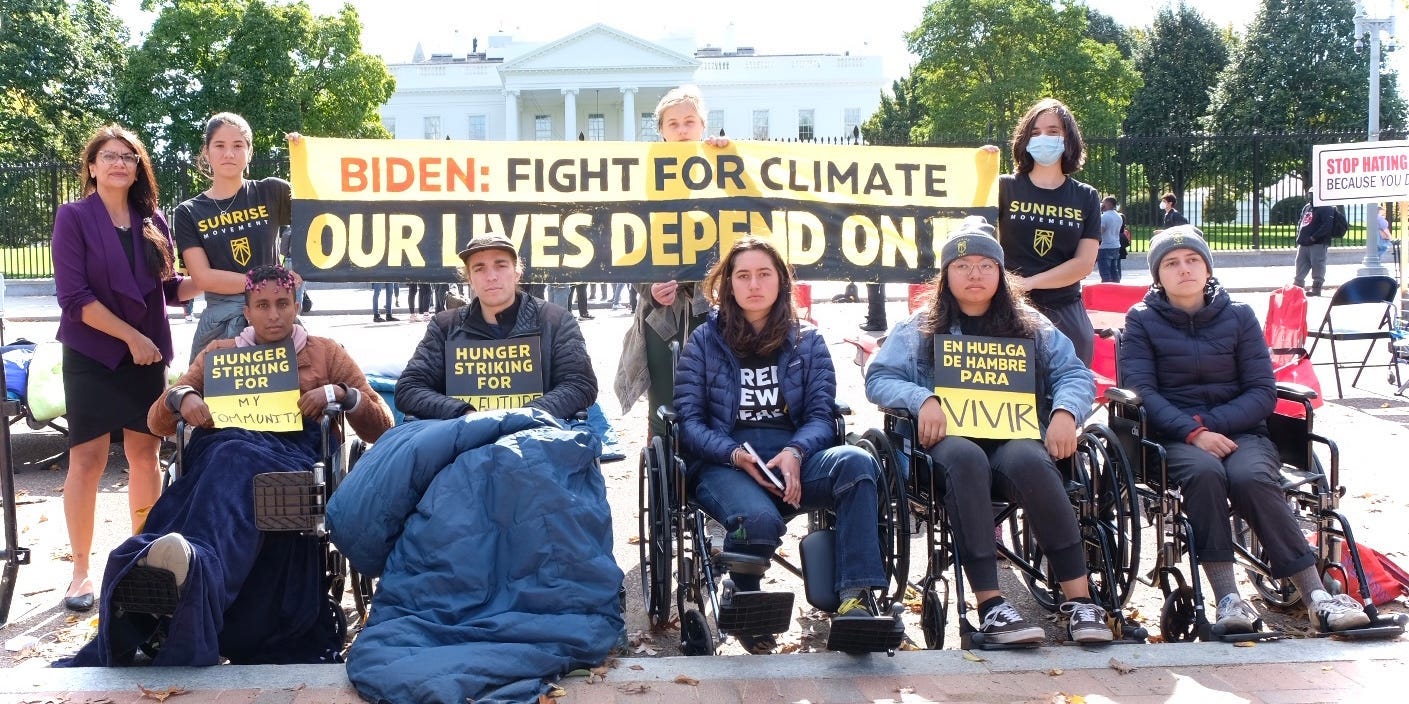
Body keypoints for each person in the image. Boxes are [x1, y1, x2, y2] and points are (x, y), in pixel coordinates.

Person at [56, 264, 392, 666]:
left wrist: (342, 393)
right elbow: (156, 421)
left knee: (234, 458)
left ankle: (187, 569)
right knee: (227, 455)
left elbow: (381, 423)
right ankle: (184, 567)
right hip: (222, 452)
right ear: (246, 311)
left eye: (282, 304)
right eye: (262, 305)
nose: (273, 315)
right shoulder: (219, 354)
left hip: (291, 457)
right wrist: (180, 398)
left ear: (296, 306)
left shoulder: (326, 351)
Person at [865, 216, 1114, 645]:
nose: (974, 273)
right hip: (945, 448)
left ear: (1001, 273)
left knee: (1032, 460)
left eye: (985, 264)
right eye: (962, 265)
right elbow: (879, 378)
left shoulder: (1032, 324)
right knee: (965, 457)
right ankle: (991, 604)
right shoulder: (918, 327)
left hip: (1011, 439)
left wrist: (1065, 413)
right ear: (946, 275)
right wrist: (922, 399)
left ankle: (1080, 599)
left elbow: (1075, 374)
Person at [1120, 227, 1371, 635]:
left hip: (1240, 430)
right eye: (1171, 263)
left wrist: (1212, 425)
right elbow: (1143, 391)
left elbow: (1261, 391)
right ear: (1157, 275)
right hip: (1172, 436)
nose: (1183, 269)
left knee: (1251, 477)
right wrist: (1192, 433)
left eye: (1192, 260)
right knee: (1204, 474)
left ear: (1206, 267)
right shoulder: (1142, 321)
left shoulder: (1239, 316)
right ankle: (1227, 599)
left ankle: (1317, 599)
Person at [674, 236, 887, 653]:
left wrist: (795, 452)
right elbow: (689, 423)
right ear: (728, 284)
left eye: (764, 274)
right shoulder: (704, 341)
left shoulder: (807, 340)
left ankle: (855, 598)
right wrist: (735, 455)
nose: (754, 284)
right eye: (743, 275)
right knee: (757, 518)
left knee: (856, 464)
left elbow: (822, 416)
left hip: (794, 457)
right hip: (726, 462)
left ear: (781, 281)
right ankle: (749, 600)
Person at [51, 125, 199, 612]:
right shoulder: (72, 217)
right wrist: (132, 337)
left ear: (138, 169)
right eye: (109, 156)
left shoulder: (152, 219)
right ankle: (79, 574)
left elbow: (170, 287)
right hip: (93, 356)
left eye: (129, 157)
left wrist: (214, 279)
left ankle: (143, 561)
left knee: (144, 455)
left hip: (146, 359)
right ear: (91, 166)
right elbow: (75, 300)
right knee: (86, 462)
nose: (119, 163)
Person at [614, 85, 729, 439]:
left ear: (703, 127)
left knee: (715, 396)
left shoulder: (720, 167)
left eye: (689, 122)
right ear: (661, 130)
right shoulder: (642, 177)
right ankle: (662, 471)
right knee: (662, 403)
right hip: (659, 313)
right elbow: (627, 245)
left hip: (711, 306)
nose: (682, 130)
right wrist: (649, 287)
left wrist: (731, 156)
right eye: (673, 123)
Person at [395, 233, 597, 421]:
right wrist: (465, 412)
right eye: (479, 268)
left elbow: (580, 384)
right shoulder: (445, 326)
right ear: (470, 279)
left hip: (537, 442)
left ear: (517, 272)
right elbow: (409, 388)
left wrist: (522, 416)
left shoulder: (556, 320)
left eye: (500, 265)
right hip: (463, 444)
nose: (491, 276)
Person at [174, 113, 293, 359]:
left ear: (249, 152)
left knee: (287, 394)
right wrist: (263, 285)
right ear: (206, 152)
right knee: (217, 397)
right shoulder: (188, 211)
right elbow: (203, 277)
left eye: (238, 145)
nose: (229, 153)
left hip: (274, 318)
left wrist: (305, 155)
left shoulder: (272, 191)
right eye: (219, 145)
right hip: (220, 325)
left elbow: (319, 217)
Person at [997, 98, 1100, 366]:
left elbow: (1083, 263)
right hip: (1008, 309)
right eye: (1035, 132)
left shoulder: (1086, 196)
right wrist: (980, 168)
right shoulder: (1002, 188)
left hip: (1065, 310)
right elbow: (979, 238)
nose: (1043, 138)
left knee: (1069, 395)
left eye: (1053, 131)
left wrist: (1030, 283)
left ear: (1069, 139)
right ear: (1024, 139)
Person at [1293, 190, 1342, 297]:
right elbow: (1301, 221)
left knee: (1318, 264)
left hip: (1318, 243)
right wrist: (1300, 236)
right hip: (1303, 242)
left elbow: (1326, 226)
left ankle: (1316, 288)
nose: (1310, 195)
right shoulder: (1307, 207)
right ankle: (1297, 286)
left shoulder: (1326, 207)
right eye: (1310, 193)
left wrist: (1313, 237)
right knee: (1300, 263)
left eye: (1312, 193)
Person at [1098, 196, 1124, 282]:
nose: (1101, 204)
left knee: (1105, 273)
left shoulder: (1104, 217)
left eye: (1103, 202)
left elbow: (1099, 232)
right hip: (1115, 245)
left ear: (1108, 204)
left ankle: (1107, 291)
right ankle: (1116, 289)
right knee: (1114, 272)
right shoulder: (1118, 216)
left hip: (1105, 247)